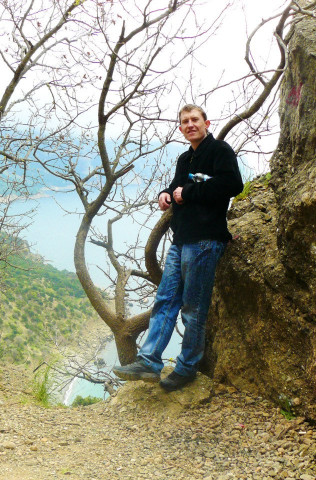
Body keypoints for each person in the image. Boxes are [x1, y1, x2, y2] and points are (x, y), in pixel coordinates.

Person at [112, 104, 243, 392]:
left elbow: (234, 184)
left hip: (206, 241)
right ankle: (149, 361)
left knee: (193, 308)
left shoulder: (219, 151)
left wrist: (191, 191)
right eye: (185, 121)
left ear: (206, 122)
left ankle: (187, 368)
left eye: (195, 119)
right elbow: (175, 186)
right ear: (181, 128)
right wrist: (165, 194)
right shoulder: (185, 159)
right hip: (181, 240)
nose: (190, 124)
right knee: (166, 300)